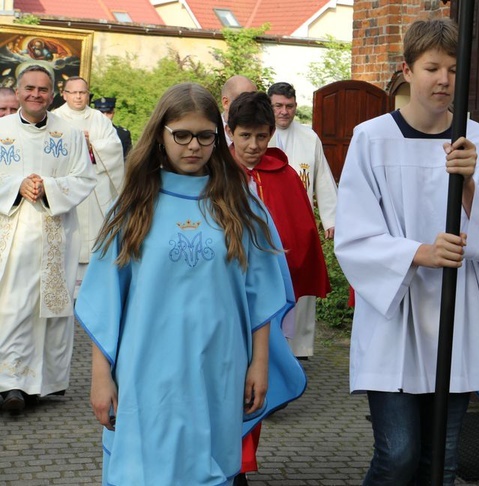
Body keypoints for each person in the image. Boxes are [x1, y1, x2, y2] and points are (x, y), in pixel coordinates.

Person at [74, 82, 306, 485]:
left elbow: (261, 292)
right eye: (181, 134)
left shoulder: (241, 206)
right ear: (160, 135)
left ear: (219, 138)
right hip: (146, 366)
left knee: (208, 468)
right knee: (145, 469)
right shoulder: (133, 204)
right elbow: (104, 298)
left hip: (220, 364)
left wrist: (260, 364)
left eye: (205, 135)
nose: (193, 146)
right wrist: (101, 376)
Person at [334, 18, 479, 485]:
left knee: (441, 463)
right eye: (433, 67)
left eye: (455, 69)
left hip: (455, 316)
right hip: (394, 316)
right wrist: (419, 252)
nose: (444, 80)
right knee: (397, 456)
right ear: (407, 71)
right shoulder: (371, 138)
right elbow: (353, 235)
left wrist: (470, 185)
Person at [226, 90, 330, 485]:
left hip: (263, 303)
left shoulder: (284, 174)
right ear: (229, 132)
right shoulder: (214, 175)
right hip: (222, 301)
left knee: (253, 385)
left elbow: (302, 228)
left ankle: (241, 466)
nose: (253, 146)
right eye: (245, 136)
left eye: (262, 136)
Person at [0, 65, 96, 413]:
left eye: (43, 89)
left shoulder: (69, 134)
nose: (35, 94)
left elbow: (85, 178)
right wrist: (16, 185)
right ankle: (10, 382)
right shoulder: (2, 130)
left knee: (48, 312)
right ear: (18, 89)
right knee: (12, 307)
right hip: (11, 234)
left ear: (52, 94)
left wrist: (49, 188)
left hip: (54, 233)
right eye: (29, 88)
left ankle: (39, 384)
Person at [267, 81, 338, 358]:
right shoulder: (260, 136)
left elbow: (323, 178)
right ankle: (272, 343)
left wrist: (331, 218)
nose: (284, 112)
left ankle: (300, 347)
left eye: (289, 106)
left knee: (303, 288)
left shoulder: (310, 138)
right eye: (278, 106)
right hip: (270, 226)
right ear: (269, 105)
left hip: (302, 228)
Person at [54, 77, 125, 292]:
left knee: (95, 235)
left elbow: (114, 148)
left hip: (94, 189)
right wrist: (75, 144)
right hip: (67, 188)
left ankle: (93, 285)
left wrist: (91, 143)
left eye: (82, 92)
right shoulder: (54, 118)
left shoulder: (99, 119)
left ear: (88, 94)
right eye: (73, 92)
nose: (78, 96)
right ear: (64, 94)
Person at [221, 75, 258, 143]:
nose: (250, 107)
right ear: (225, 102)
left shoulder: (263, 131)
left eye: (254, 101)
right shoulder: (210, 132)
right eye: (243, 101)